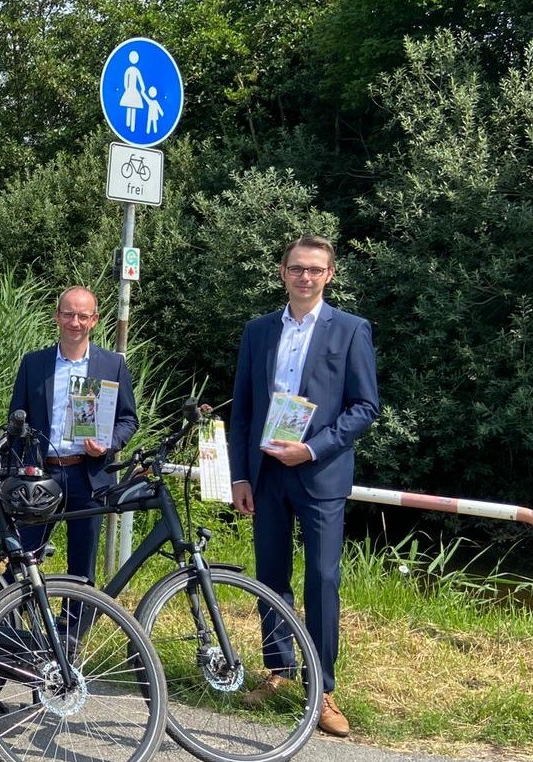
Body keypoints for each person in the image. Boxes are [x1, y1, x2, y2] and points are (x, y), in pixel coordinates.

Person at [228, 235, 379, 738]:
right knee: (271, 575)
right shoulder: (258, 331)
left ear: (329, 275)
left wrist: (312, 449)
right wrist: (240, 475)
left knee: (322, 578)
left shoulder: (352, 330)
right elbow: (243, 409)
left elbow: (365, 408)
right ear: (282, 271)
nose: (305, 277)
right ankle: (279, 669)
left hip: (319, 473)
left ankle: (323, 687)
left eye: (315, 270)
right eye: (297, 268)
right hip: (267, 472)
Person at [8, 286, 139, 586]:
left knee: (82, 561)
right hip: (41, 474)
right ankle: (10, 624)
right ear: (57, 316)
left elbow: (129, 419)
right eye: (68, 314)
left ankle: (74, 629)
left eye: (82, 316)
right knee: (24, 555)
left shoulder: (112, 365)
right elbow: (16, 419)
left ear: (95, 320)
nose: (74, 322)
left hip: (88, 474)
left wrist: (108, 444)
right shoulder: (34, 363)